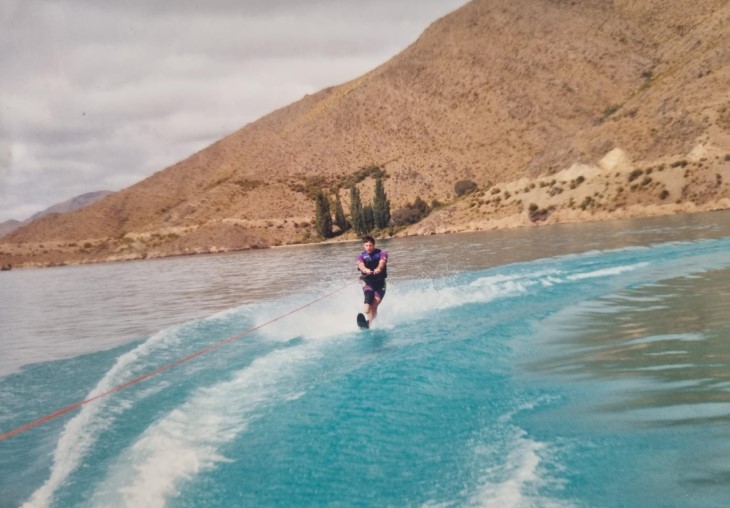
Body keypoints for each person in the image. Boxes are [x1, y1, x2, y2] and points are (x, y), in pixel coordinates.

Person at [356, 235, 388, 326]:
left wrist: (378, 269)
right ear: (364, 245)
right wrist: (365, 270)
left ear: (374, 245)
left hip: (380, 284)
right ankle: (367, 321)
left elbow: (382, 263)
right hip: (368, 283)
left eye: (370, 245)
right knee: (368, 300)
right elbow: (360, 265)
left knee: (374, 305)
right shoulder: (360, 256)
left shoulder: (382, 253)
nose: (368, 247)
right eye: (366, 245)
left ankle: (370, 323)